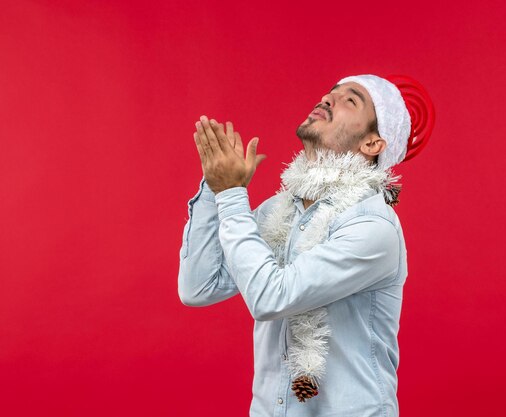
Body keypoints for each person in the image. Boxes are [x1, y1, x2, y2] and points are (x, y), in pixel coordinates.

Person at [178, 74, 434, 416]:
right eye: (330, 92)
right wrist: (215, 186)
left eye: (350, 100)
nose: (328, 98)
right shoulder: (280, 211)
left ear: (373, 144)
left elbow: (272, 297)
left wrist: (231, 194)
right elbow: (199, 287)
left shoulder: (373, 226)